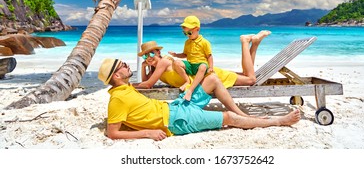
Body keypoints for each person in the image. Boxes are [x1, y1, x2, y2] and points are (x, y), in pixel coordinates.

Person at [98, 58, 301, 140]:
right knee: (228, 118)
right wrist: (148, 132)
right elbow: (112, 132)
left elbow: (145, 86)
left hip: (176, 106)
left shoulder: (127, 88)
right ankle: (278, 121)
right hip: (177, 121)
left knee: (212, 78)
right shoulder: (117, 99)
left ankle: (241, 113)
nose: (126, 65)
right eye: (122, 65)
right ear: (116, 76)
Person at [136, 30, 271, 90]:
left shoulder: (164, 62)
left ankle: (244, 41)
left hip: (207, 77)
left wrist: (128, 86)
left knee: (251, 79)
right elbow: (147, 83)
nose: (148, 58)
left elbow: (147, 85)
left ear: (158, 52)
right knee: (248, 75)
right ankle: (255, 43)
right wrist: (143, 67)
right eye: (145, 56)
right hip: (203, 78)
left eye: (151, 54)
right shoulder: (155, 67)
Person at [168, 15, 213, 101]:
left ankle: (191, 90)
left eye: (189, 33)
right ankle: (187, 81)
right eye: (185, 33)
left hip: (200, 64)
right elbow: (185, 54)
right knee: (176, 62)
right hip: (190, 65)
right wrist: (176, 55)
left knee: (203, 67)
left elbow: (209, 56)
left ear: (197, 29)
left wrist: (210, 67)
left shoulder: (204, 42)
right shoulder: (187, 42)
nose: (187, 35)